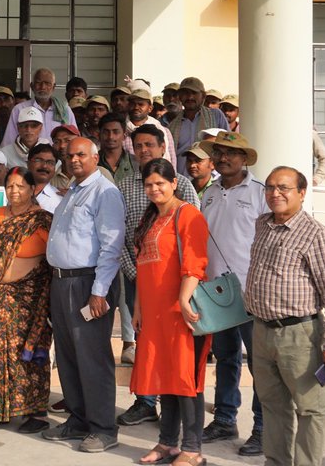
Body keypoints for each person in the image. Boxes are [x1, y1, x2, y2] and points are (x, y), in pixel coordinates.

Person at [245, 166, 325, 466]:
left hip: (300, 336)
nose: (275, 193)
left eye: (283, 188)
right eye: (270, 187)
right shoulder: (263, 224)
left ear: (301, 192)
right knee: (272, 405)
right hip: (261, 332)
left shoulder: (316, 236)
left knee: (310, 409)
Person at [42, 137, 125, 453]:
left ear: (95, 156)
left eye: (81, 154)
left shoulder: (105, 192)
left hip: (88, 283)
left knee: (92, 358)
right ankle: (78, 420)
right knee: (67, 356)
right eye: (70, 155)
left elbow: (111, 246)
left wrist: (99, 292)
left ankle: (104, 428)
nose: (74, 159)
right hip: (62, 283)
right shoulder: (73, 191)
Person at [130, 158, 211, 466]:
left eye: (160, 183)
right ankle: (167, 444)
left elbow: (195, 262)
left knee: (186, 380)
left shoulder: (187, 215)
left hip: (181, 312)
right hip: (153, 313)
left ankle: (192, 448)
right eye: (149, 184)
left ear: (174, 183)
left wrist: (184, 300)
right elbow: (143, 268)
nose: (154, 189)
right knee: (164, 377)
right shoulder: (149, 219)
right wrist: (138, 308)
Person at [117, 124, 199, 426]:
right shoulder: (125, 186)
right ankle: (146, 401)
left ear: (162, 147)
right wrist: (135, 272)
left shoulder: (183, 186)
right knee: (146, 340)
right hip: (138, 276)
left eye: (149, 144)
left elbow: (192, 237)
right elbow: (121, 236)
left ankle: (172, 404)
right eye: (138, 145)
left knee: (173, 347)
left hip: (175, 282)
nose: (143, 150)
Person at [0, 168, 53, 434]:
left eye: (20, 186)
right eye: (10, 186)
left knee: (25, 352)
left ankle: (34, 412)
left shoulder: (42, 220)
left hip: (29, 300)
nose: (14, 192)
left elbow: (54, 259)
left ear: (32, 189)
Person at [198, 131, 266, 455]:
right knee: (225, 358)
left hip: (251, 291)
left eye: (231, 153)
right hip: (217, 291)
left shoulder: (259, 193)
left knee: (259, 364)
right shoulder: (208, 193)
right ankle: (225, 419)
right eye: (219, 153)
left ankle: (264, 429)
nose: (224, 158)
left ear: (244, 159)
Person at [166, 77, 228, 173]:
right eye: (185, 93)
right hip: (182, 180)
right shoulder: (173, 124)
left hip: (211, 180)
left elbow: (228, 144)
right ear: (179, 97)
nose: (190, 97)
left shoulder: (215, 115)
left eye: (194, 93)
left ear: (203, 96)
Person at [3, 68, 76, 146]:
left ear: (53, 87)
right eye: (38, 83)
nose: (43, 87)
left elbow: (74, 139)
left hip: (58, 157)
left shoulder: (65, 110)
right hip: (26, 157)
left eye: (47, 83)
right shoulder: (20, 109)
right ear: (32, 86)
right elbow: (9, 141)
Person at [124, 83, 176, 163]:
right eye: (132, 104)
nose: (136, 107)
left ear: (150, 108)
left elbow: (172, 161)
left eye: (140, 104)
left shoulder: (163, 131)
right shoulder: (121, 131)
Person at [98, 113, 138, 184]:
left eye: (116, 132)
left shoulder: (136, 163)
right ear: (99, 135)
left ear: (124, 135)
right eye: (106, 132)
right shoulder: (92, 163)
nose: (110, 137)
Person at [27, 144, 61, 212]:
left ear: (55, 169)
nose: (44, 166)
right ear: (28, 164)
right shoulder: (15, 192)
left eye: (50, 162)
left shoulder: (61, 199)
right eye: (39, 160)